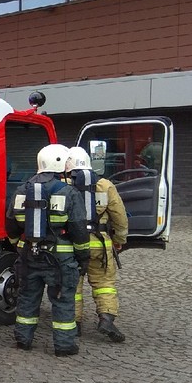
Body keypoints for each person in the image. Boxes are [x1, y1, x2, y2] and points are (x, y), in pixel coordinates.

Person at [6, 144, 90, 357]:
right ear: (60, 164)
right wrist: (83, 257)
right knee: (62, 300)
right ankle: (64, 346)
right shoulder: (69, 192)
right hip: (60, 260)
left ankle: (23, 339)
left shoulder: (22, 190)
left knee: (27, 297)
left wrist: (18, 245)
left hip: (29, 255)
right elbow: (79, 230)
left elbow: (10, 224)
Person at [66, 147, 127, 342]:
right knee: (104, 284)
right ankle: (106, 319)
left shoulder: (63, 185)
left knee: (73, 286)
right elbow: (120, 217)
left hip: (73, 244)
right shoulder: (105, 185)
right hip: (100, 243)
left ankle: (74, 325)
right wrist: (119, 240)